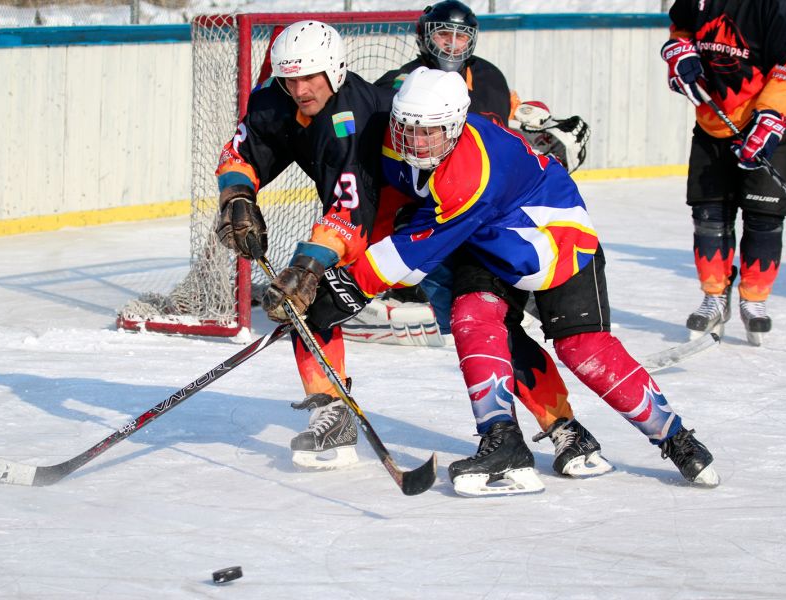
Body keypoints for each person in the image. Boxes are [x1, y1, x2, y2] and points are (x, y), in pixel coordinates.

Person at [266, 67, 721, 494]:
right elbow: (386, 211)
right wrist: (333, 271)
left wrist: (344, 289)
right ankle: (502, 442)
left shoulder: (470, 172)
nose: (418, 143)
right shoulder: (397, 139)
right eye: (410, 129)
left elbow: (411, 252)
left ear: (457, 125)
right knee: (472, 317)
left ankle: (676, 438)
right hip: (485, 239)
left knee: (584, 350)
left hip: (552, 241)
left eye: (430, 132)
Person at [351, 0, 607, 481]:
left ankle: (564, 428)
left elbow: (502, 138)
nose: (451, 45)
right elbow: (377, 174)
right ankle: (532, 433)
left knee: (510, 330)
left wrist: (542, 135)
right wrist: (373, 260)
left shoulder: (489, 76)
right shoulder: (396, 88)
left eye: (461, 37)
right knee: (494, 333)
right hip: (432, 236)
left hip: (495, 227)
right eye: (442, 35)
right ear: (424, 37)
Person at [215, 20, 398, 469]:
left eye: (309, 76)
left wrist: (310, 264)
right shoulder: (276, 99)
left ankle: (535, 430)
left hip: (417, 217)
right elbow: (240, 152)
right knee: (309, 305)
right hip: (365, 216)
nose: (299, 89)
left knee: (482, 313)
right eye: (289, 78)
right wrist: (236, 196)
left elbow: (352, 214)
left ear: (335, 71)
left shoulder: (353, 116)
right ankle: (332, 413)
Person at [661, 0, 786, 346]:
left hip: (771, 123)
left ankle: (754, 300)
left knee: (764, 216)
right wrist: (679, 51)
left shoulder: (784, 8)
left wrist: (769, 117)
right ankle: (715, 296)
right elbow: (680, 28)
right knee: (709, 213)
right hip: (713, 120)